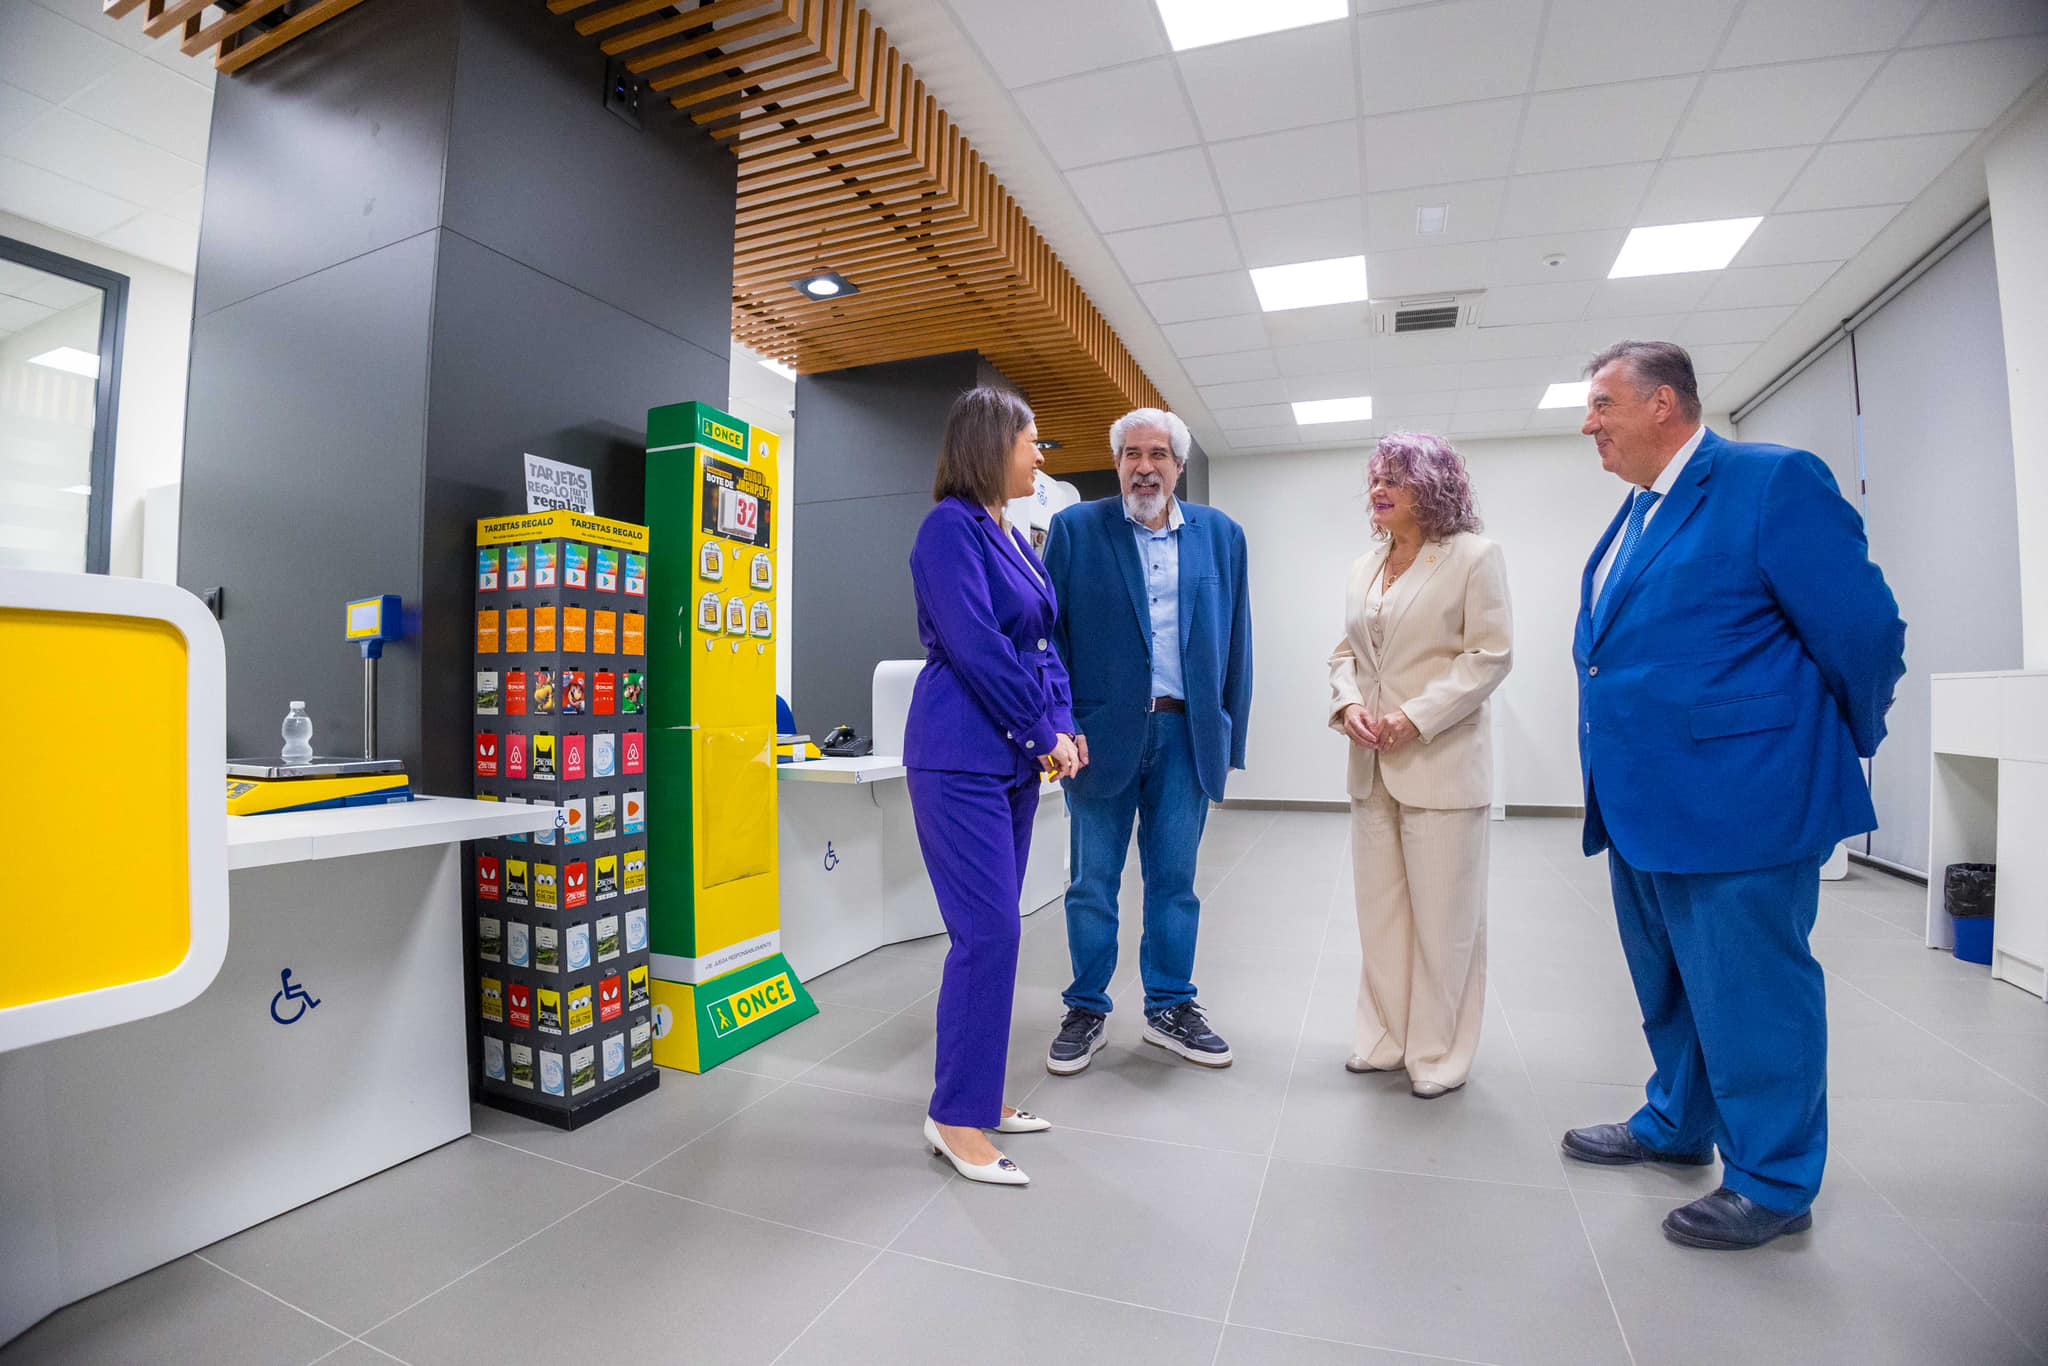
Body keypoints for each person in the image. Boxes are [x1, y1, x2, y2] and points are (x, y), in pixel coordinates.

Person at [1562, 340, 1906, 1250]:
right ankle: (1678, 1122)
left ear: (1665, 404)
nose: (1588, 423)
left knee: (1755, 994)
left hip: (1743, 801)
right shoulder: (1635, 515)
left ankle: (1773, 1178)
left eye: (1602, 404)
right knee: (1670, 985)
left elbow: (1866, 632)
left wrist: (1824, 744)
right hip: (1642, 800)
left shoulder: (1769, 482)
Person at [905, 385, 1085, 1186]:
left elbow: (1042, 644)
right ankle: (954, 1116)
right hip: (958, 757)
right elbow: (978, 649)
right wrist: (1040, 731)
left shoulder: (1009, 535)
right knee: (989, 935)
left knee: (996, 931)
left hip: (1008, 759)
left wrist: (1065, 726)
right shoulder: (947, 531)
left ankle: (978, 1093)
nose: (1040, 456)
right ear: (990, 443)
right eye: (1032, 441)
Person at [1041, 407, 1252, 1074]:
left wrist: (1228, 736)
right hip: (1098, 737)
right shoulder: (1078, 530)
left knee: (1175, 882)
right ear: (1118, 463)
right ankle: (1087, 1006)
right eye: (1131, 453)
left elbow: (1237, 641)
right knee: (1092, 883)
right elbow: (1051, 641)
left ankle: (1169, 1006)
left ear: (1179, 466)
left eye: (1158, 454)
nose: (1144, 466)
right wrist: (1060, 725)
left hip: (1186, 735)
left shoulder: (1222, 536)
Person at [1327, 433, 1512, 1098]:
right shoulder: (1364, 567)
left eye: (1395, 480)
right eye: (1376, 478)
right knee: (1380, 912)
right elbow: (1344, 656)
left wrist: (1417, 716)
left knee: (1445, 919)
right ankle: (1384, 1037)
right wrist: (1348, 707)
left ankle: (1437, 1052)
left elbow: (1489, 656)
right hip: (1371, 763)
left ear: (1433, 487)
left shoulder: (1472, 558)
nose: (1379, 490)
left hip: (1438, 760)